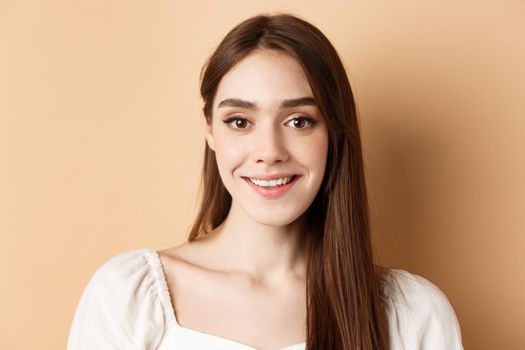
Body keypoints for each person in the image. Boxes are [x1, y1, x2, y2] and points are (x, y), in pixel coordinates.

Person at [67, 14, 463, 350]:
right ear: (210, 131)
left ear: (335, 134)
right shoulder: (127, 297)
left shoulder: (413, 314)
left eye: (299, 121)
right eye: (240, 122)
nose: (269, 151)